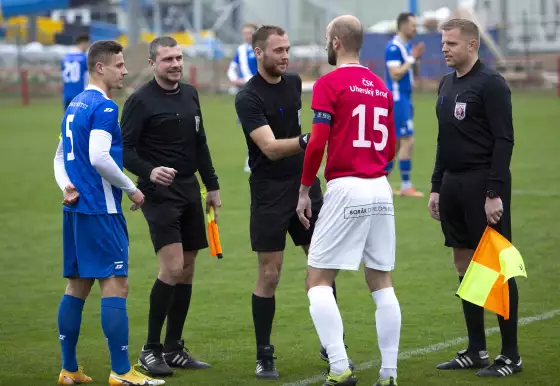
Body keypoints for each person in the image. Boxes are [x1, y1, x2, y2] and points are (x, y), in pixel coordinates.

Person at [235, 24, 351, 380]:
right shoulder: (248, 97)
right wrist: (310, 138)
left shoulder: (294, 84)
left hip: (305, 185)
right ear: (259, 53)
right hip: (269, 192)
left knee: (322, 267)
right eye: (278, 50)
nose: (286, 56)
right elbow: (269, 148)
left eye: (287, 49)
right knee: (270, 275)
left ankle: (332, 346)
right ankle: (264, 355)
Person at [296, 15, 401, 386]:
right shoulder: (379, 86)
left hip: (346, 185)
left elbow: (318, 142)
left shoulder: (329, 83)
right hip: (380, 188)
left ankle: (339, 367)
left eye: (327, 38)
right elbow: (390, 146)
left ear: (337, 42)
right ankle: (389, 374)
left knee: (317, 280)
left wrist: (305, 188)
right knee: (382, 281)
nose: (327, 43)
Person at [54, 39, 165, 386]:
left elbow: (59, 157)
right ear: (100, 67)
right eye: (119, 65)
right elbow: (100, 157)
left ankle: (69, 369)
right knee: (116, 285)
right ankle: (121, 372)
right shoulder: (104, 107)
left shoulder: (74, 105)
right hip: (100, 211)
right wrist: (132, 188)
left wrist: (65, 185)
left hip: (75, 211)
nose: (125, 70)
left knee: (77, 286)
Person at [429, 18, 522, 377]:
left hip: (483, 184)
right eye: (443, 43)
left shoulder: (491, 84)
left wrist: (494, 192)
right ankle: (476, 349)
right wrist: (437, 186)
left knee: (497, 268)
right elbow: (443, 139)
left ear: (471, 45)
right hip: (452, 185)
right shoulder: (446, 83)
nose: (444, 49)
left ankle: (511, 355)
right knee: (465, 265)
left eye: (451, 43)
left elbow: (504, 140)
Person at [121, 36, 218, 377]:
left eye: (178, 58)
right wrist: (150, 171)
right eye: (167, 60)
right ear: (152, 64)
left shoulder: (191, 94)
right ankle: (150, 349)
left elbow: (200, 142)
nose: (175, 64)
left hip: (190, 189)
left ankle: (174, 348)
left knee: (188, 267)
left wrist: (213, 186)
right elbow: (125, 149)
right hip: (158, 193)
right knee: (173, 266)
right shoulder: (139, 101)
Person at [384, 12, 425, 197]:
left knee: (397, 143)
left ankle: (382, 181)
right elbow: (394, 74)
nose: (415, 29)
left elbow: (407, 72)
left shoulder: (406, 46)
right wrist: (411, 59)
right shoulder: (393, 47)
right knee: (408, 139)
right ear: (402, 26)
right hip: (397, 99)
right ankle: (406, 186)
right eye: (412, 25)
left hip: (404, 98)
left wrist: (414, 60)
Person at [227, 23, 259, 172]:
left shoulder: (261, 48)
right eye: (244, 33)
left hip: (260, 89)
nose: (247, 36)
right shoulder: (240, 50)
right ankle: (251, 158)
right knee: (249, 126)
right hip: (246, 91)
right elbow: (232, 68)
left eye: (250, 33)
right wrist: (235, 79)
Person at [61, 35, 90, 110]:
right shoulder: (84, 58)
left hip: (66, 93)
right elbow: (89, 75)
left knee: (67, 118)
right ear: (83, 43)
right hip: (80, 93)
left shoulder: (65, 58)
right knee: (81, 119)